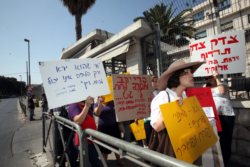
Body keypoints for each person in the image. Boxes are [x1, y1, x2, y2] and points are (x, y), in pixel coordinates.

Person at [148, 59, 204, 166]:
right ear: (176, 77)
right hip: (170, 150)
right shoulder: (164, 96)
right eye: (187, 73)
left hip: (186, 147)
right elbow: (157, 127)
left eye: (191, 72)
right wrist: (172, 108)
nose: (192, 75)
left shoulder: (186, 96)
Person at [205, 71, 235, 166]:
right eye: (206, 78)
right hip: (212, 116)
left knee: (225, 139)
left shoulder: (223, 84)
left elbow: (222, 91)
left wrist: (218, 78)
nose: (209, 79)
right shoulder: (204, 87)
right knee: (212, 139)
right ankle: (214, 161)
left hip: (226, 115)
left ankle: (225, 162)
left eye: (210, 76)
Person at [94, 96, 126, 167]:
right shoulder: (96, 104)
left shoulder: (111, 102)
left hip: (113, 127)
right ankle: (105, 163)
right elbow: (97, 113)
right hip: (103, 129)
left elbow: (119, 109)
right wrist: (100, 102)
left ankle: (118, 160)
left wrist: (116, 108)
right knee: (104, 147)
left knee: (116, 144)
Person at [68, 96, 100, 167]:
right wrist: (87, 106)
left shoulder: (84, 103)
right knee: (93, 163)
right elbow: (78, 121)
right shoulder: (74, 104)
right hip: (84, 140)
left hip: (90, 138)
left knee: (93, 161)